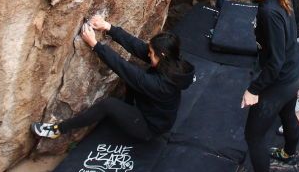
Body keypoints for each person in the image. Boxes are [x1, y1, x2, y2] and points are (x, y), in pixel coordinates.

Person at [31, 15, 195, 142]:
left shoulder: (159, 85)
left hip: (149, 128)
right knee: (136, 74)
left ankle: (57, 130)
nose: (148, 54)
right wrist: (108, 27)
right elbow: (138, 47)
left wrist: (95, 45)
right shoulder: (173, 61)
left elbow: (122, 67)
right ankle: (128, 109)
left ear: (163, 55)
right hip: (154, 112)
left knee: (109, 104)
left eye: (152, 53)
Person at [235, 0, 299, 172]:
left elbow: (275, 62)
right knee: (288, 114)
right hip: (294, 72)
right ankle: (288, 153)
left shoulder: (268, 13)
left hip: (280, 80)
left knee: (253, 137)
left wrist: (253, 89)